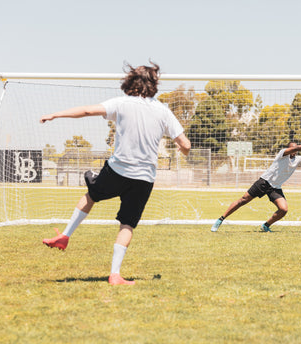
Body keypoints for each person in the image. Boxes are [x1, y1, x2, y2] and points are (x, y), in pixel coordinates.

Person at [40, 61, 191, 285]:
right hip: (144, 178)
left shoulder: (122, 103)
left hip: (118, 170)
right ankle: (115, 274)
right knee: (127, 224)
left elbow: (87, 110)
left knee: (91, 195)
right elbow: (185, 144)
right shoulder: (164, 111)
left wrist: (56, 114)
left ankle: (65, 236)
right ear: (153, 85)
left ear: (132, 82)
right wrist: (183, 149)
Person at [210, 137, 301, 232]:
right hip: (264, 182)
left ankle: (265, 226)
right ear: (288, 149)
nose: (294, 151)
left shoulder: (297, 160)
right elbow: (297, 148)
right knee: (243, 200)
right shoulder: (282, 154)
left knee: (283, 209)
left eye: (294, 149)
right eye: (292, 148)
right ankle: (220, 219)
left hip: (275, 188)